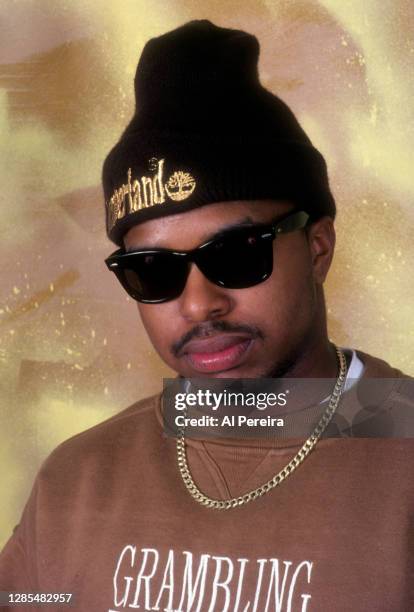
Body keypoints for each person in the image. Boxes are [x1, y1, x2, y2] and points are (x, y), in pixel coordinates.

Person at [0, 20, 413, 612]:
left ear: (317, 248)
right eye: (153, 271)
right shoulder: (78, 478)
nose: (198, 304)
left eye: (237, 254)